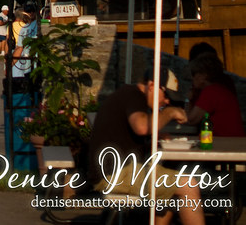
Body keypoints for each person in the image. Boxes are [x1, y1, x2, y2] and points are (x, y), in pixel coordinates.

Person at [86, 67, 204, 225]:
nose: (167, 101)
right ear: (151, 86)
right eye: (166, 95)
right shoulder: (135, 96)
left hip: (113, 170)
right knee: (188, 186)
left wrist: (155, 136)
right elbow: (141, 127)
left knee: (171, 190)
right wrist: (169, 113)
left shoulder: (128, 94)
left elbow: (129, 131)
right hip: (115, 174)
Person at [185, 52, 245, 136]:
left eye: (194, 74)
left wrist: (188, 99)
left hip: (228, 142)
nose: (192, 78)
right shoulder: (218, 89)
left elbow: (191, 120)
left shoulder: (211, 92)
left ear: (203, 76)